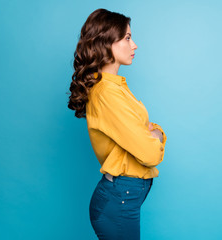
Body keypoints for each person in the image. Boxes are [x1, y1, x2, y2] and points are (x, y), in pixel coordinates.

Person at [67, 8, 167, 240]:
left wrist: (155, 133)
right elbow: (149, 153)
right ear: (106, 43)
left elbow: (148, 130)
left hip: (125, 196)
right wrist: (156, 136)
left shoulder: (116, 87)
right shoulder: (107, 94)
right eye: (127, 38)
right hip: (119, 199)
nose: (135, 45)